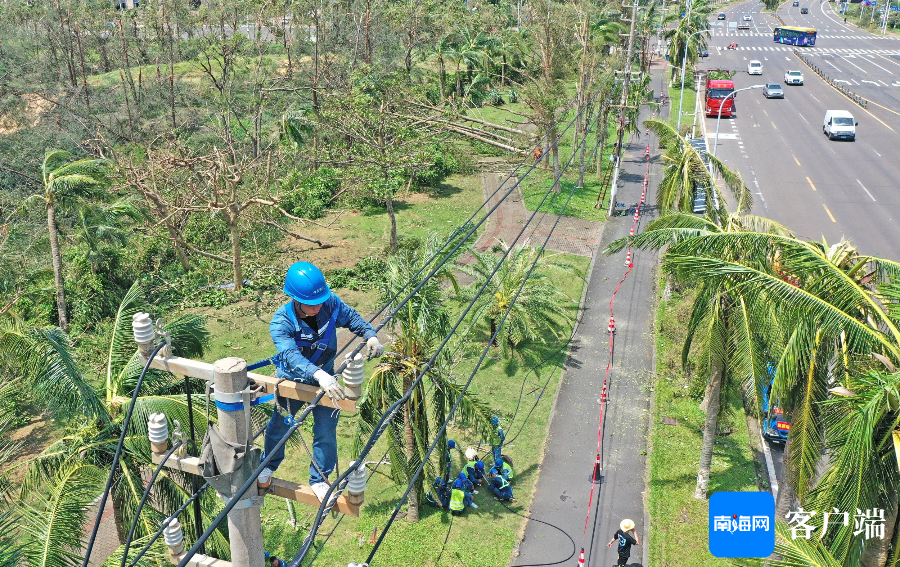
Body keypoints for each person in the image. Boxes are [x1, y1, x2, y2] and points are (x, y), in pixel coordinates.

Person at [258, 262, 384, 503]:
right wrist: (318, 375)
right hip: (293, 381)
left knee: (326, 430)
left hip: (326, 378)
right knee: (279, 427)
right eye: (311, 304)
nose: (317, 307)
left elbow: (352, 318)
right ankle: (267, 466)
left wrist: (370, 335)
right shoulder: (282, 322)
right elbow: (290, 355)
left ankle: (319, 479)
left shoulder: (329, 303)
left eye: (320, 302)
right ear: (296, 300)